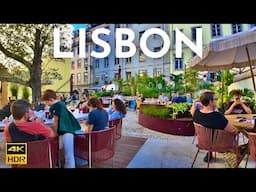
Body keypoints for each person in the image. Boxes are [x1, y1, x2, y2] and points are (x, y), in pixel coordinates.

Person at [192, 91, 240, 162]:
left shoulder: (196, 113)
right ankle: (239, 156)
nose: (217, 100)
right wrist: (238, 130)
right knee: (235, 133)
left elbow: (192, 110)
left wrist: (194, 103)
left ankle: (209, 153)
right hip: (220, 144)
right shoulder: (217, 116)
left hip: (203, 143)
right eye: (215, 99)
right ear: (210, 102)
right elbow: (233, 130)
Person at [42, 89, 81, 168]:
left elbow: (56, 123)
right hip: (67, 131)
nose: (46, 104)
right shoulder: (61, 104)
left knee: (68, 155)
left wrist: (53, 133)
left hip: (66, 132)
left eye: (46, 102)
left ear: (51, 100)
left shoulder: (57, 106)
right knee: (67, 154)